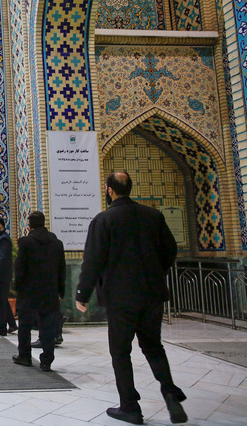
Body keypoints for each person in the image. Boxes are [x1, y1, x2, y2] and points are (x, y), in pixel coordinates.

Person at [76, 171, 187, 425]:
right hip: (151, 295)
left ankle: (130, 407)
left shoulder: (103, 220)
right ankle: (169, 391)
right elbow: (170, 251)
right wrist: (155, 273)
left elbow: (93, 260)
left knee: (120, 352)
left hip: (120, 298)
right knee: (153, 346)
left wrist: (83, 292)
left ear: (108, 190)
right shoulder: (153, 216)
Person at [12, 211, 65, 372]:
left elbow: (20, 268)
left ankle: (25, 356)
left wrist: (17, 287)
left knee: (25, 326)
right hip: (49, 292)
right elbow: (61, 269)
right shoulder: (57, 243)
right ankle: (46, 361)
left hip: (29, 292)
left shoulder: (26, 242)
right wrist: (60, 290)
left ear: (29, 226)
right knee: (48, 327)